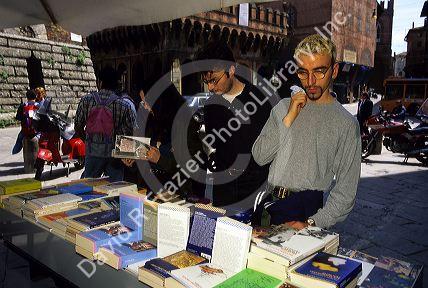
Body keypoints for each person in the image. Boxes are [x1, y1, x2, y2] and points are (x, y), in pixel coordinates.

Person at [252, 34, 361, 229]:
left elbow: (346, 190)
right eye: (303, 72)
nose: (310, 81)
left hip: (306, 209)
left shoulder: (346, 123)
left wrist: (313, 223)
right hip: (268, 204)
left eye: (319, 71)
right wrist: (289, 118)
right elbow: (260, 156)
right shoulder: (283, 107)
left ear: (334, 70)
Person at [194, 41, 276, 207]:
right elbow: (216, 148)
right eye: (206, 81)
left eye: (215, 80)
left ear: (231, 70)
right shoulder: (210, 107)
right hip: (224, 192)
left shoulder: (261, 98)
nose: (210, 87)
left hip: (256, 190)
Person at [123, 82, 207, 198]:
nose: (145, 106)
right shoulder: (153, 119)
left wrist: (160, 160)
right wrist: (134, 159)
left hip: (178, 194)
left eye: (147, 102)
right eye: (143, 102)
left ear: (161, 101)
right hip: (151, 190)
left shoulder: (186, 123)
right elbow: (148, 151)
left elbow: (191, 165)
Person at [74, 66, 136, 181]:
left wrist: (87, 140)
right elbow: (131, 132)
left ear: (100, 82)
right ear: (117, 84)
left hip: (92, 152)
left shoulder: (86, 101)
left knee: (89, 187)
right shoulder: (124, 105)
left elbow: (77, 125)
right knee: (114, 189)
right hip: (114, 155)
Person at [13, 89, 40, 172]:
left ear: (27, 97)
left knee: (19, 138)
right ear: (35, 96)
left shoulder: (23, 105)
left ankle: (15, 150)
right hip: (37, 132)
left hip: (25, 132)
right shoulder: (38, 105)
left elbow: (18, 117)